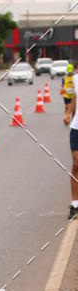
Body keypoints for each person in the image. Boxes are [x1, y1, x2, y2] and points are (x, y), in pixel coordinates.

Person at [68, 66, 78, 220]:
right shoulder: (76, 79)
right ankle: (75, 204)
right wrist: (67, 113)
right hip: (76, 128)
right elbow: (74, 99)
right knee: (76, 164)